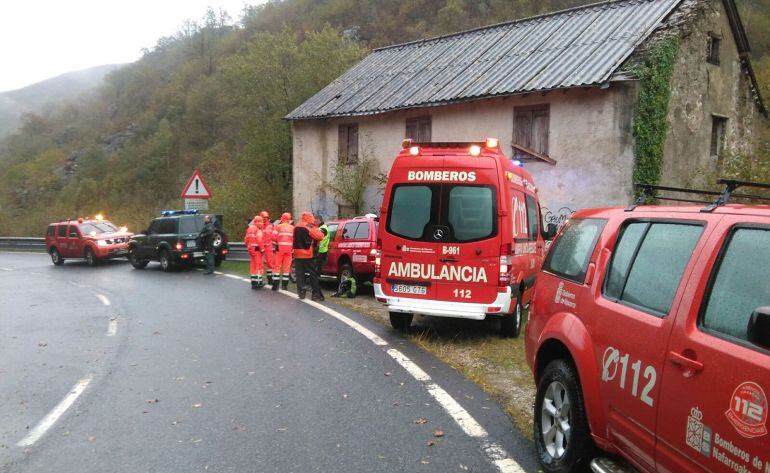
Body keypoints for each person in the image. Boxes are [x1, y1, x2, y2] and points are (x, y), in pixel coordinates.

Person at [293, 211, 325, 301]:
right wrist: (319, 230)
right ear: (310, 218)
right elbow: (320, 236)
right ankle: (315, 294)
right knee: (312, 274)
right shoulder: (309, 227)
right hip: (307, 254)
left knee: (300, 275)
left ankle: (301, 293)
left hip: (297, 254)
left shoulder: (296, 226)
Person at [273, 212, 294, 291]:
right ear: (289, 219)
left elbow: (273, 237)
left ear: (282, 218)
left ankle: (276, 285)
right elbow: (294, 239)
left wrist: (278, 241)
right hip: (289, 250)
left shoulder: (278, 227)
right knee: (286, 268)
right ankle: (285, 286)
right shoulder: (292, 228)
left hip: (279, 249)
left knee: (277, 266)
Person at [244, 215, 265, 289]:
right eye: (262, 222)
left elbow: (246, 240)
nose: (262, 224)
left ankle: (253, 283)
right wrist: (262, 249)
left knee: (253, 266)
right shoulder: (258, 230)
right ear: (258, 222)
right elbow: (259, 241)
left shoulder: (249, 228)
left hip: (251, 250)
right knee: (258, 266)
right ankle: (258, 283)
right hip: (257, 250)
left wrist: (249, 247)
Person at [260, 211, 276, 285]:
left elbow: (275, 235)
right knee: (260, 263)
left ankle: (270, 279)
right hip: (260, 247)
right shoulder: (258, 226)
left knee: (270, 264)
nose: (265, 219)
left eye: (266, 218)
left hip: (269, 247)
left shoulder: (271, 226)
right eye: (264, 218)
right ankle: (258, 279)